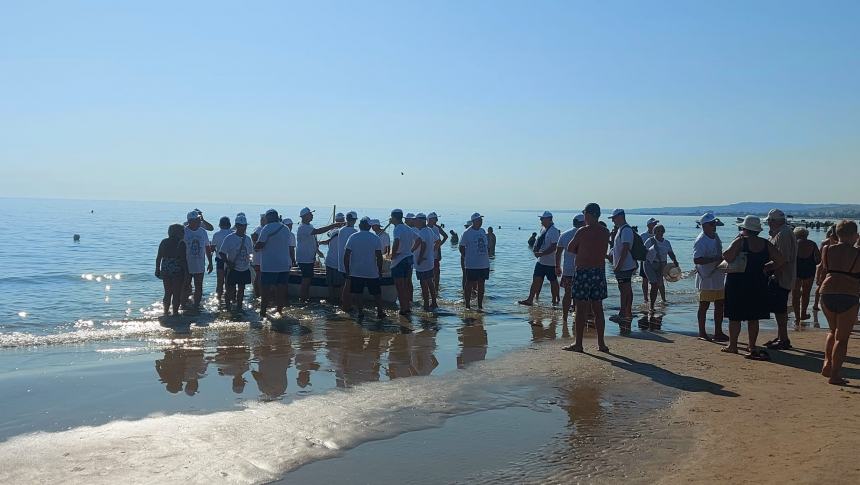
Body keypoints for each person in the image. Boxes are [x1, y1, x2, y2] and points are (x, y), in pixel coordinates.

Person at [722, 216, 785, 360]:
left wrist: (736, 239)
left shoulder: (741, 241)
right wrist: (766, 267)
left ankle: (733, 345)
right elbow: (780, 260)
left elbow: (727, 256)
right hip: (758, 282)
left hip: (738, 281)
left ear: (744, 229)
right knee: (754, 317)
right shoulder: (765, 243)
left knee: (735, 316)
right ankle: (752, 345)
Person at [563, 203, 610, 353]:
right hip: (599, 271)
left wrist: (583, 249)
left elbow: (570, 248)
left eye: (584, 213)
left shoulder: (582, 231)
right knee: (598, 308)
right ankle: (601, 344)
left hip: (583, 271)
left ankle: (579, 344)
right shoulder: (605, 231)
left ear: (589, 214)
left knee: (581, 308)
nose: (584, 216)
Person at [818, 220, 860, 386]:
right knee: (842, 338)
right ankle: (835, 375)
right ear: (854, 235)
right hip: (848, 294)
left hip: (827, 291)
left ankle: (827, 362)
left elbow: (822, 270)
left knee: (832, 330)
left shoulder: (827, 249)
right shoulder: (857, 253)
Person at [763, 209, 797, 350]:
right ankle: (781, 337)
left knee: (780, 310)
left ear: (774, 221)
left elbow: (782, 259)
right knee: (779, 309)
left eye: (770, 221)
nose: (768, 224)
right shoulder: (783, 232)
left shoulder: (783, 234)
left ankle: (783, 339)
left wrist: (766, 269)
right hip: (783, 276)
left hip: (781, 277)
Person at [693, 211, 728, 341]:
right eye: (712, 224)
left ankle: (718, 332)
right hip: (706, 277)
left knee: (720, 304)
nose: (715, 226)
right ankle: (702, 332)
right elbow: (697, 259)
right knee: (704, 305)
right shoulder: (701, 240)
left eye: (715, 223)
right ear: (704, 225)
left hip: (718, 275)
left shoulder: (716, 236)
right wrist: (715, 258)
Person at [296, 207, 343, 302]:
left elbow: (313, 241)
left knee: (308, 279)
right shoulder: (303, 227)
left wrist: (317, 251)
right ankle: (303, 299)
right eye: (310, 214)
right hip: (305, 259)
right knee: (306, 280)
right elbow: (318, 231)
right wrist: (333, 225)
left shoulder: (308, 226)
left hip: (308, 258)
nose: (312, 215)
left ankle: (305, 298)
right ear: (305, 216)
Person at [342, 217, 386, 319]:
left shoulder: (353, 237)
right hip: (371, 271)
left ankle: (360, 312)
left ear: (360, 226)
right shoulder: (375, 238)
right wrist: (379, 271)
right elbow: (379, 257)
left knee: (358, 293)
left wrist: (347, 270)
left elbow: (346, 255)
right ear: (369, 226)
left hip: (356, 271)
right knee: (377, 293)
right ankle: (380, 311)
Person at [255, 209, 295, 318]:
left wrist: (255, 242)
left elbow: (259, 246)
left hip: (269, 266)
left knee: (265, 292)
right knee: (281, 291)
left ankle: (263, 313)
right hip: (283, 265)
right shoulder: (286, 228)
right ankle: (279, 312)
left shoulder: (266, 228)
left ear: (268, 218)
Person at [518, 211, 561, 306]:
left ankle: (555, 301)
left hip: (551, 262)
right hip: (541, 262)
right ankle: (530, 299)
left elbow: (554, 246)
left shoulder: (554, 231)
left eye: (542, 219)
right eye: (540, 219)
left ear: (549, 219)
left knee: (553, 281)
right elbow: (539, 241)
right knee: (536, 279)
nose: (541, 220)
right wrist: (535, 250)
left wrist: (542, 253)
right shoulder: (543, 229)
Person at [218, 214, 254, 312]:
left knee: (242, 289)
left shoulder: (248, 239)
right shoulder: (229, 238)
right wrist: (228, 263)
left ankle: (239, 307)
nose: (243, 228)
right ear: (237, 226)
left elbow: (250, 253)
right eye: (241, 225)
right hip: (232, 268)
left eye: (245, 225)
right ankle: (228, 308)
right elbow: (221, 252)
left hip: (244, 268)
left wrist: (250, 262)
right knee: (229, 289)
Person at [607, 209, 637, 323]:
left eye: (614, 218)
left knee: (625, 289)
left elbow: (625, 248)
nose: (613, 221)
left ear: (620, 217)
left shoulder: (626, 230)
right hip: (624, 265)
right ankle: (626, 312)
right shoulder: (621, 229)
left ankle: (624, 313)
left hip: (625, 266)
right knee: (624, 289)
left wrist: (619, 265)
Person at [643, 224, 680, 311]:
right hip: (650, 264)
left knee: (659, 284)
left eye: (661, 231)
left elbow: (670, 253)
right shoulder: (649, 241)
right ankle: (651, 305)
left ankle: (661, 300)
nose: (660, 233)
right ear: (654, 232)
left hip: (662, 265)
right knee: (654, 284)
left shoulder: (666, 242)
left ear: (664, 232)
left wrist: (675, 261)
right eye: (658, 231)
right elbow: (643, 251)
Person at [389, 209, 419, 315]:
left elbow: (396, 241)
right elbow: (419, 239)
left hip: (400, 260)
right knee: (406, 285)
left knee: (400, 286)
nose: (390, 219)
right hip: (409, 258)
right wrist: (411, 250)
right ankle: (407, 306)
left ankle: (403, 308)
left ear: (394, 217)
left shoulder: (397, 229)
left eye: (391, 217)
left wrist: (393, 255)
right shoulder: (407, 228)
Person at [557, 214, 585, 322]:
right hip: (582, 269)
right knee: (580, 295)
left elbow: (558, 252)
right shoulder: (586, 234)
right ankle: (577, 316)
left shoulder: (564, 234)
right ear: (582, 222)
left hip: (568, 269)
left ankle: (564, 317)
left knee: (567, 294)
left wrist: (557, 266)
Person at [459, 213, 490, 310]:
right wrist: (467, 257)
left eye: (481, 220)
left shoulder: (482, 231)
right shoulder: (467, 233)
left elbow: (486, 246)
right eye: (479, 220)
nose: (481, 222)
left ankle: (480, 305)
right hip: (472, 264)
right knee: (469, 283)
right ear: (474, 221)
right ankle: (467, 305)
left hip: (484, 264)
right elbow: (461, 247)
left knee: (482, 284)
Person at [155, 224, 188, 316]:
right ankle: (175, 312)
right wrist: (186, 272)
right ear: (178, 233)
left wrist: (157, 269)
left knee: (167, 292)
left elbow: (159, 257)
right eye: (182, 231)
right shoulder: (181, 243)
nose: (184, 233)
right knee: (176, 293)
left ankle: (165, 311)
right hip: (177, 269)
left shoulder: (164, 242)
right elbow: (183, 260)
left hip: (165, 268)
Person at [183, 211, 213, 311]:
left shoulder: (202, 231)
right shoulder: (184, 231)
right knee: (186, 285)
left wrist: (210, 262)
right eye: (197, 219)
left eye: (199, 219)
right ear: (190, 221)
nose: (199, 221)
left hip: (199, 264)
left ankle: (196, 306)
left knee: (198, 285)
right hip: (186, 264)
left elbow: (207, 247)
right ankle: (184, 304)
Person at [792, 227, 821, 324]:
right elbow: (818, 260)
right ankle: (803, 313)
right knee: (806, 293)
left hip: (796, 270)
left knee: (795, 294)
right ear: (806, 235)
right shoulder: (812, 244)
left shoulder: (794, 244)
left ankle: (797, 317)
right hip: (809, 270)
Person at [414, 213, 439, 310]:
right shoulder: (429, 230)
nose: (415, 222)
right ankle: (434, 302)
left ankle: (426, 304)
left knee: (423, 284)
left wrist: (420, 257)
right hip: (430, 260)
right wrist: (432, 251)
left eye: (416, 220)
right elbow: (437, 241)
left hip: (423, 262)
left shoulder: (422, 232)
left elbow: (423, 245)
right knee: (430, 282)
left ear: (421, 221)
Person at [320, 213, 346, 303]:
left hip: (330, 261)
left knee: (330, 284)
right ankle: (342, 300)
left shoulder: (332, 231)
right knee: (342, 283)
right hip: (339, 262)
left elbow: (329, 236)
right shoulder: (346, 232)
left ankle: (332, 299)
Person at [813, 226, 839, 313]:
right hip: (833, 267)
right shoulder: (840, 241)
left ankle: (816, 304)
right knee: (823, 286)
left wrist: (818, 274)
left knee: (821, 286)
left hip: (825, 266)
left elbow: (821, 259)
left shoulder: (825, 242)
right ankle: (818, 304)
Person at [337, 211, 359, 307]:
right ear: (354, 220)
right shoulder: (354, 232)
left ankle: (342, 301)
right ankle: (348, 304)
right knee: (349, 284)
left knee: (343, 284)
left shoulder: (341, 230)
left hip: (341, 262)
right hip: (350, 263)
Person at [211, 216, 233, 301]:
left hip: (220, 260)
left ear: (220, 225)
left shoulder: (216, 234)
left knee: (220, 282)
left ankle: (218, 299)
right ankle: (231, 300)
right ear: (229, 224)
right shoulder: (232, 233)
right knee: (231, 283)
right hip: (231, 261)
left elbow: (212, 249)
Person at [639, 218, 659, 306]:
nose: (655, 225)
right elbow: (639, 248)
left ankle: (654, 298)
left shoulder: (658, 235)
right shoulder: (643, 235)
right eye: (653, 224)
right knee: (645, 280)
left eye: (656, 223)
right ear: (648, 226)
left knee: (656, 280)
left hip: (656, 261)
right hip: (645, 260)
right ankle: (645, 298)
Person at [427, 212, 448, 293]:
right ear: (429, 219)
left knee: (436, 272)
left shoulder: (437, 228)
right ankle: (429, 290)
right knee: (428, 273)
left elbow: (445, 236)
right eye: (435, 219)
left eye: (437, 219)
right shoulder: (424, 228)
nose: (436, 220)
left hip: (435, 254)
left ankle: (436, 289)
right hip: (427, 254)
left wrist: (439, 247)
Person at [251, 214, 266, 298]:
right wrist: (255, 246)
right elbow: (253, 236)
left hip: (258, 257)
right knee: (259, 276)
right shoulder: (260, 229)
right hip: (259, 258)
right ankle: (259, 294)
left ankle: (258, 294)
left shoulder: (259, 228)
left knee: (258, 276)